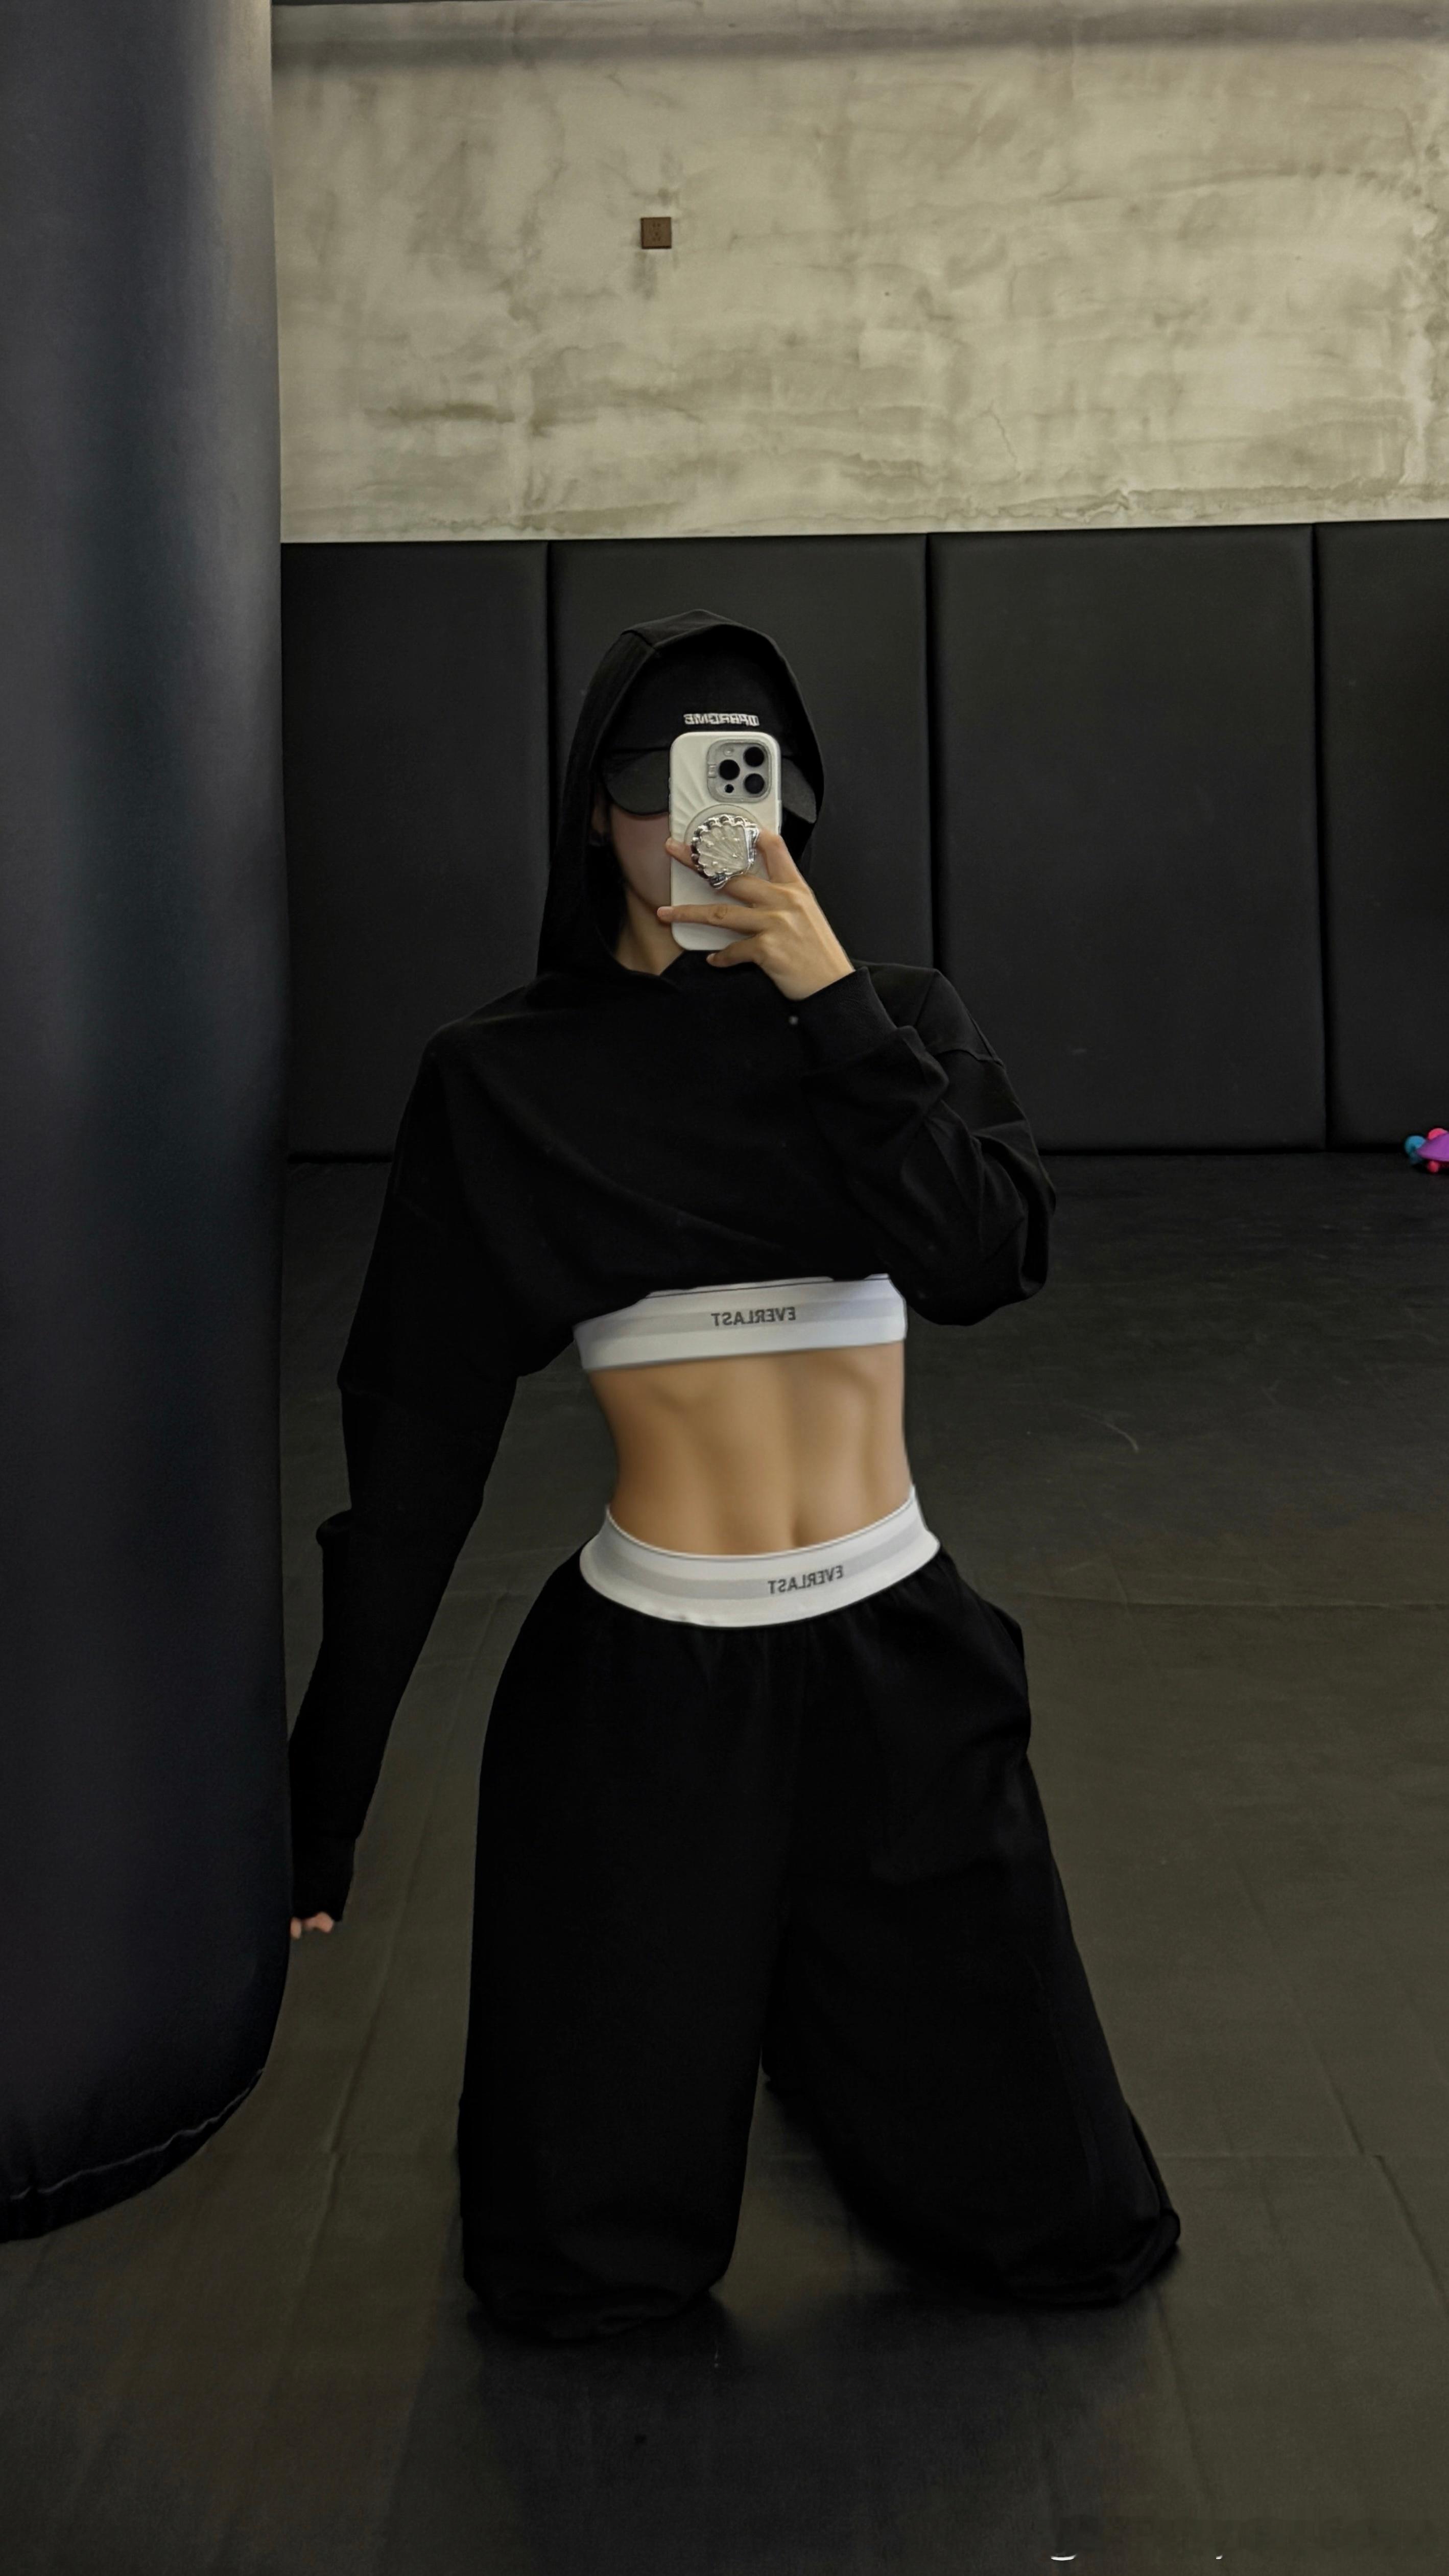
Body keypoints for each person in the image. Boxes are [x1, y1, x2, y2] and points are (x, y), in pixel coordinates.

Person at [286, 608, 1181, 2342]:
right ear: (597, 812)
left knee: (1075, 2228)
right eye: (663, 791)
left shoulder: (895, 1024)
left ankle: (817, 2022)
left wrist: (832, 1003)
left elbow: (988, 1254)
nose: (704, 833)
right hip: (644, 1697)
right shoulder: (508, 1078)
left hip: (897, 1669)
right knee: (576, 2272)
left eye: (743, 788)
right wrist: (324, 1794)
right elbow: (413, 1442)